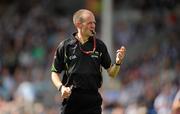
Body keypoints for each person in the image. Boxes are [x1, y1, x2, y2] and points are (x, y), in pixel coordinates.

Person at [51, 9, 126, 114]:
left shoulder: (99, 46)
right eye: (90, 23)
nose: (93, 25)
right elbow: (54, 72)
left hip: (92, 102)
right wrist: (61, 88)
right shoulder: (65, 46)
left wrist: (118, 62)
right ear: (78, 24)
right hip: (71, 100)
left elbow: (112, 73)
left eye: (94, 23)